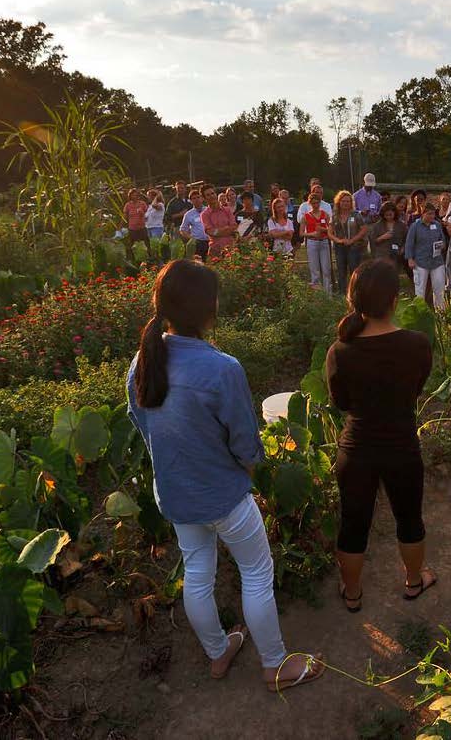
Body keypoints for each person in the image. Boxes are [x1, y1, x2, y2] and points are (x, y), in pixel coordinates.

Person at [127, 260, 324, 691]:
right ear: (208, 309)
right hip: (224, 497)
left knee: (198, 573)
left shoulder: (142, 362)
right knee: (256, 572)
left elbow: (144, 426)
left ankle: (218, 652)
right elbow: (245, 445)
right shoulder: (222, 368)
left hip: (176, 496)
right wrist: (258, 482)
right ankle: (274, 666)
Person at [324, 259, 436, 611]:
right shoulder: (418, 344)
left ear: (353, 299)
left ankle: (352, 593)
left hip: (356, 449)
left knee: (353, 524)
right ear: (394, 300)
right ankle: (414, 581)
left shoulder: (340, 351)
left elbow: (341, 403)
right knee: (409, 518)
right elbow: (416, 389)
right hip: (402, 446)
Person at [405, 202, 447, 309]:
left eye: (433, 214)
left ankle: (440, 313)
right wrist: (410, 259)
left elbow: (442, 239)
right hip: (420, 262)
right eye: (429, 214)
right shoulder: (415, 226)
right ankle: (420, 313)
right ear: (423, 214)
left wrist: (442, 245)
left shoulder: (437, 225)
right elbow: (409, 243)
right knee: (420, 290)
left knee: (439, 289)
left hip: (437, 261)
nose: (432, 216)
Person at [330, 190, 368, 292]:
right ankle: (342, 293)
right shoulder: (334, 216)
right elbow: (330, 232)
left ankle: (354, 292)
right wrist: (338, 240)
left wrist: (352, 240)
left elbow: (364, 229)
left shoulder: (356, 215)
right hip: (339, 247)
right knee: (341, 271)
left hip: (354, 247)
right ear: (339, 202)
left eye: (348, 201)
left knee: (354, 270)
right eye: (343, 201)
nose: (345, 203)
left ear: (351, 203)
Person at [301, 185, 332, 293]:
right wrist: (312, 234)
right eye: (313, 203)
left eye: (317, 203)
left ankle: (328, 294)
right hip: (312, 242)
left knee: (326, 269)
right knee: (315, 270)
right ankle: (317, 295)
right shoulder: (305, 216)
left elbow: (331, 229)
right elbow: (301, 233)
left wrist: (323, 229)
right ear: (310, 203)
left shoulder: (325, 214)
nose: (315, 205)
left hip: (324, 242)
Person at [200, 185, 238, 260]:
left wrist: (218, 231)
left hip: (231, 249)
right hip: (215, 251)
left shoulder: (227, 210)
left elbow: (234, 227)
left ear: (216, 194)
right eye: (208, 195)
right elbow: (211, 232)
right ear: (204, 198)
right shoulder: (204, 215)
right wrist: (227, 228)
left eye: (212, 193)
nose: (211, 196)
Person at [368, 201, 407, 268]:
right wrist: (382, 237)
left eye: (390, 214)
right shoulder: (377, 226)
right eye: (386, 215)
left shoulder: (402, 225)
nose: (388, 217)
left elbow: (406, 240)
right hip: (381, 256)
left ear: (395, 213)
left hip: (396, 256)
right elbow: (372, 241)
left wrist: (403, 249)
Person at [179, 188, 210, 261]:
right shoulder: (188, 214)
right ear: (191, 201)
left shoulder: (208, 210)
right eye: (194, 198)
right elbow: (182, 230)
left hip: (210, 241)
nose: (196, 200)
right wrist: (191, 238)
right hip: (198, 243)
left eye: (198, 197)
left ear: (202, 198)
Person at [123, 188, 151, 261]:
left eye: (136, 195)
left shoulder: (142, 204)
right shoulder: (128, 205)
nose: (135, 196)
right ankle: (134, 261)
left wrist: (142, 213)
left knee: (146, 245)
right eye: (133, 195)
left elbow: (148, 215)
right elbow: (125, 217)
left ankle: (148, 260)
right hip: (132, 229)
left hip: (142, 228)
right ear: (130, 196)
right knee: (132, 246)